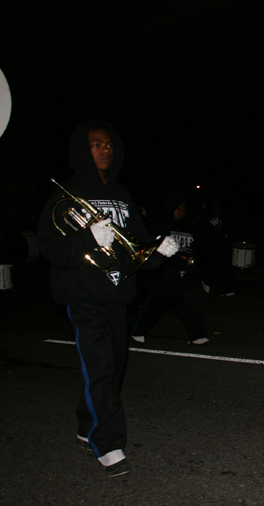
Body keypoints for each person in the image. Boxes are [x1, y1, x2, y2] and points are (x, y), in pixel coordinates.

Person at [36, 121, 178, 477]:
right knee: (99, 367)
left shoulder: (123, 194)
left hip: (118, 294)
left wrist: (157, 250)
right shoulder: (64, 194)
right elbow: (50, 247)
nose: (105, 150)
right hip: (83, 294)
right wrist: (88, 240)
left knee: (111, 369)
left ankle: (87, 426)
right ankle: (108, 442)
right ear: (82, 150)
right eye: (96, 144)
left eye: (110, 145)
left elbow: (137, 244)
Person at [130, 191, 210, 346]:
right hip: (166, 273)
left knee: (191, 304)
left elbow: (195, 249)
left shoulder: (188, 226)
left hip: (185, 273)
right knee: (156, 305)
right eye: (178, 209)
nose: (181, 213)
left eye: (183, 210)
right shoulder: (159, 225)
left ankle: (197, 335)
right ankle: (136, 330)